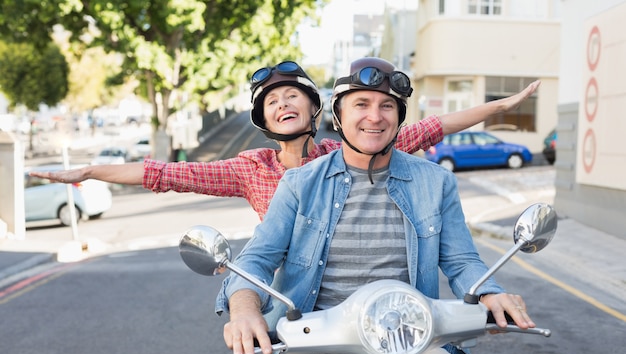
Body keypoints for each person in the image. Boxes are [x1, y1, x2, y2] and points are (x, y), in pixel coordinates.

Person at [216, 57, 537, 354]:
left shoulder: (436, 182)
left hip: (412, 339)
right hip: (319, 345)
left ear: (399, 117)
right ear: (338, 117)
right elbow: (256, 259)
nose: (375, 116)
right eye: (361, 104)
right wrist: (244, 310)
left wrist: (492, 292)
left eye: (387, 105)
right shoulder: (300, 184)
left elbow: (462, 260)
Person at [29, 61, 540, 222]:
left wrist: (498, 107)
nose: (283, 104)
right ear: (263, 118)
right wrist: (91, 171)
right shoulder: (250, 167)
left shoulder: (348, 150)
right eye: (272, 101)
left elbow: (430, 128)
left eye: (293, 95)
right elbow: (163, 174)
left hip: (360, 293)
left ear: (316, 110)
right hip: (284, 296)